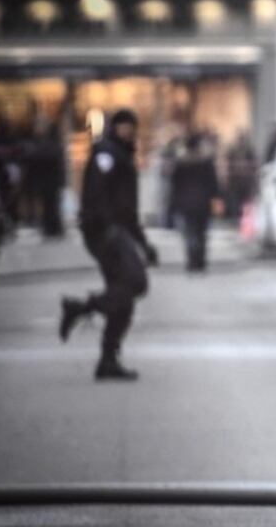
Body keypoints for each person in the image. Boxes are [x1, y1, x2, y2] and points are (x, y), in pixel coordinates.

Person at [58, 108, 159, 381]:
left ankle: (107, 360)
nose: (128, 131)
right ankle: (81, 308)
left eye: (131, 127)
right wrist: (104, 226)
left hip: (118, 232)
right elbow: (96, 192)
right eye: (124, 126)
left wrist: (143, 243)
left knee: (123, 297)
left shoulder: (123, 154)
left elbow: (128, 209)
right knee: (136, 283)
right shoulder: (107, 153)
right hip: (105, 233)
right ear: (115, 128)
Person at [170, 132, 220, 272]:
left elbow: (175, 184)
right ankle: (200, 260)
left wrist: (174, 203)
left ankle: (192, 260)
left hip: (185, 203)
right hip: (203, 202)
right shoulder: (206, 162)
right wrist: (215, 198)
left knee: (189, 233)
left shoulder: (181, 162)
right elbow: (213, 183)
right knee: (201, 233)